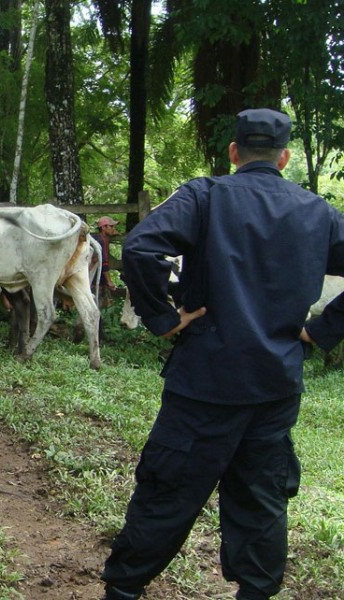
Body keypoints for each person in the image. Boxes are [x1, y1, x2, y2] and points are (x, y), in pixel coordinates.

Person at [101, 108, 344, 600]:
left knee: (168, 492)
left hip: (204, 382)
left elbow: (142, 248)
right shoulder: (317, 211)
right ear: (285, 157)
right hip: (274, 387)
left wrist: (165, 319)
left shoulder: (206, 195)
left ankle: (123, 593)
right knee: (261, 498)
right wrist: (321, 331)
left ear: (234, 153)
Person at [92, 216, 121, 307]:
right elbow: (104, 262)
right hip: (95, 275)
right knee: (95, 301)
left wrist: (112, 233)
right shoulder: (101, 241)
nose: (113, 229)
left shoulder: (99, 238)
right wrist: (109, 281)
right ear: (103, 228)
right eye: (111, 226)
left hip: (92, 274)